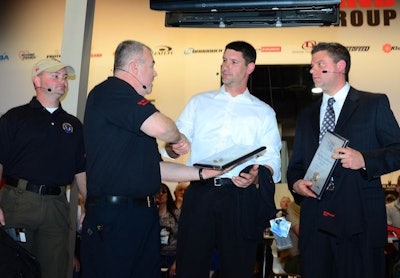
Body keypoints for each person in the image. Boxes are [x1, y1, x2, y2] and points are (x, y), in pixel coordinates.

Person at [81, 40, 221, 278]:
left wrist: (201, 173)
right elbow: (163, 127)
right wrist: (179, 138)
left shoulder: (132, 116)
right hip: (115, 217)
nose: (155, 72)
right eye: (152, 65)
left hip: (142, 215)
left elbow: (157, 169)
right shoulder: (112, 92)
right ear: (135, 67)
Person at [167, 41, 282, 278]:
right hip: (200, 192)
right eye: (223, 60)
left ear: (250, 68)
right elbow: (173, 143)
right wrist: (173, 147)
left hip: (240, 197)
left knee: (237, 267)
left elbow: (272, 159)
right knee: (189, 265)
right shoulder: (199, 103)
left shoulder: (263, 112)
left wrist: (255, 177)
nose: (225, 67)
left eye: (233, 62)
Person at [287, 42, 400, 278]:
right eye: (311, 66)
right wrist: (297, 183)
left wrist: (365, 160)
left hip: (359, 219)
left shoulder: (373, 104)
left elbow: (397, 149)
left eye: (320, 64)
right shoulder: (307, 115)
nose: (312, 70)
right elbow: (296, 165)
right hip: (315, 222)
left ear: (341, 66)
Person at [0, 58, 87, 278]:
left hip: (57, 205)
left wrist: (89, 205)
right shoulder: (14, 118)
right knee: (15, 267)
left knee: (55, 269)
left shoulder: (73, 125)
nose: (62, 81)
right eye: (55, 76)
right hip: (18, 201)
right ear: (37, 80)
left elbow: (81, 171)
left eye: (65, 77)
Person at [157, 183, 180, 277]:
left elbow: (184, 239)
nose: (160, 195)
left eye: (163, 192)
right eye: (157, 192)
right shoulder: (150, 215)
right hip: (156, 256)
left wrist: (176, 262)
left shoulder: (177, 214)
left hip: (173, 255)